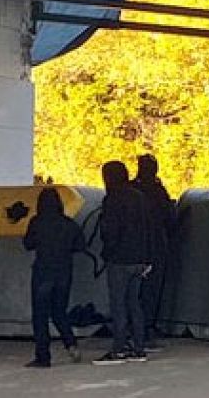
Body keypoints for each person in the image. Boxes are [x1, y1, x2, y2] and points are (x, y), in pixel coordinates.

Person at [94, 160, 153, 365]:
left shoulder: (112, 199)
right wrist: (147, 258)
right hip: (139, 259)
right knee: (134, 304)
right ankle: (139, 347)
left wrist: (107, 252)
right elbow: (147, 228)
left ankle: (119, 349)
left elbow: (110, 231)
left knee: (118, 305)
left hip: (119, 259)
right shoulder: (139, 197)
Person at [22, 186, 86, 368]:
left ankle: (43, 356)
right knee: (59, 312)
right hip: (64, 273)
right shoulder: (68, 224)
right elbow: (81, 245)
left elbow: (28, 244)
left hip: (42, 272)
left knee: (40, 316)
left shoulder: (36, 222)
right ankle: (71, 344)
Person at [134, 154, 176, 349]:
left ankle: (131, 329)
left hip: (132, 249)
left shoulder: (131, 189)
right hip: (157, 247)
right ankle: (147, 329)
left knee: (132, 292)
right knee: (152, 290)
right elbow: (170, 219)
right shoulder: (158, 192)